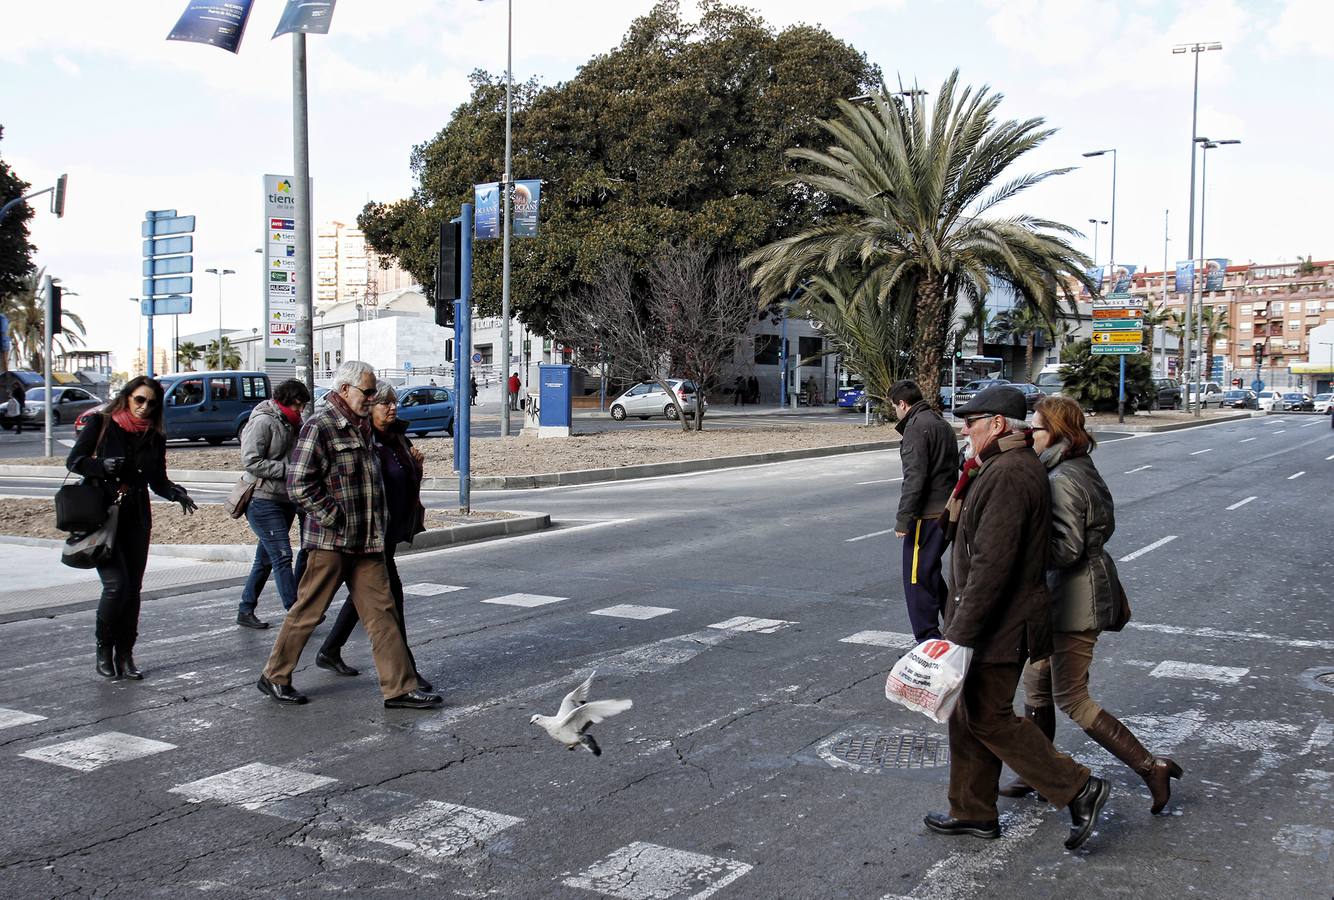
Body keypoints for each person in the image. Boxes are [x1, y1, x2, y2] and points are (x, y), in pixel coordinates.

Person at [925, 385, 1109, 851]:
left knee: (989, 718)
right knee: (966, 716)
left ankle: (1078, 787)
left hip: (999, 623)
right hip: (990, 618)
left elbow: (993, 564)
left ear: (999, 424)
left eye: (972, 422)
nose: (964, 429)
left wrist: (960, 634)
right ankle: (972, 812)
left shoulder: (1009, 473)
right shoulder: (995, 466)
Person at [1001, 395, 1182, 813]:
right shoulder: (1076, 466)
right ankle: (1040, 774)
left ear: (1058, 433)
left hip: (1075, 598)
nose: (1030, 435)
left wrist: (1023, 548)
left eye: (1037, 429)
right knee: (1037, 685)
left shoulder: (1062, 477)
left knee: (1072, 698)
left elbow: (1066, 550)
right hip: (1065, 595)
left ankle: (1150, 766)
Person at [258, 360, 441, 710]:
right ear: (344, 390)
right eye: (368, 392)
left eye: (374, 393)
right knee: (308, 611)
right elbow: (298, 483)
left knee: (383, 613)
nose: (372, 399)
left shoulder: (363, 428)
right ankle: (275, 675)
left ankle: (399, 687)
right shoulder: (320, 425)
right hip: (332, 542)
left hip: (368, 542)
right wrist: (333, 517)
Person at [66, 376, 198, 679]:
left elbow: (158, 480)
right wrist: (101, 467)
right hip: (103, 515)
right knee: (116, 586)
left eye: (151, 403)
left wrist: (176, 492)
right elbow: (74, 461)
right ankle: (104, 649)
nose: (144, 407)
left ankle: (125, 655)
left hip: (136, 516)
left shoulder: (155, 434)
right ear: (127, 397)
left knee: (134, 589)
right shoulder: (101, 423)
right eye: (139, 400)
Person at [317, 380, 432, 689]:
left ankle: (329, 649)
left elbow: (406, 482)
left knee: (366, 595)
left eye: (394, 402)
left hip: (390, 531)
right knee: (389, 599)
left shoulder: (396, 437)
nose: (393, 407)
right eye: (385, 403)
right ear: (370, 410)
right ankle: (407, 674)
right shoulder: (365, 440)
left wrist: (417, 469)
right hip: (369, 533)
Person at [236, 379, 312, 629]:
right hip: (261, 499)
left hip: (284, 499)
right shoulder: (263, 421)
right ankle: (295, 611)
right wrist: (287, 470)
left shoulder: (293, 423)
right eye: (299, 405)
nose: (301, 410)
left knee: (266, 559)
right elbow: (251, 460)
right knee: (281, 555)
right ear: (287, 401)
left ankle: (246, 609)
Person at [890, 380, 958, 641]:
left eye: (895, 406)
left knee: (916, 576)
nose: (896, 412)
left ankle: (927, 637)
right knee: (929, 570)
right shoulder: (940, 423)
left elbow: (914, 478)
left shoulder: (916, 428)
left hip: (926, 515)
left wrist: (903, 520)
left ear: (903, 404)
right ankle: (952, 621)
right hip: (946, 510)